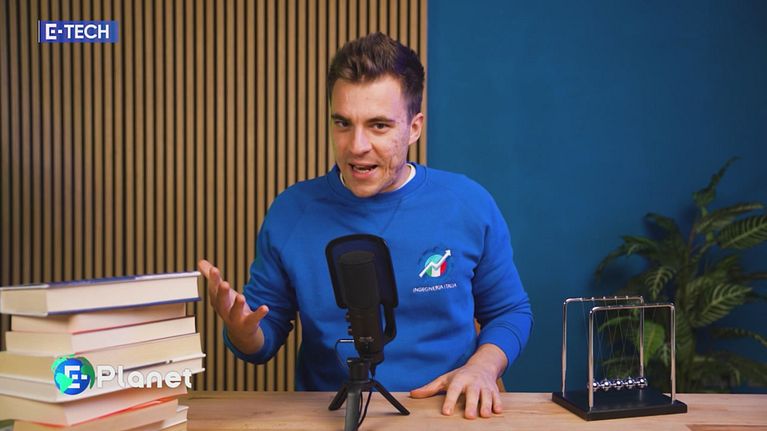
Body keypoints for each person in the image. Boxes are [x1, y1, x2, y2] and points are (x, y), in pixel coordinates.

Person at [199, 32, 532, 420]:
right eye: (343, 123)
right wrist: (242, 331)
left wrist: (483, 367)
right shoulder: (292, 211)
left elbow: (510, 311)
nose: (356, 146)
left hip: (443, 412)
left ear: (414, 127)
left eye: (378, 126)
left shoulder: (468, 204)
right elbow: (263, 335)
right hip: (332, 415)